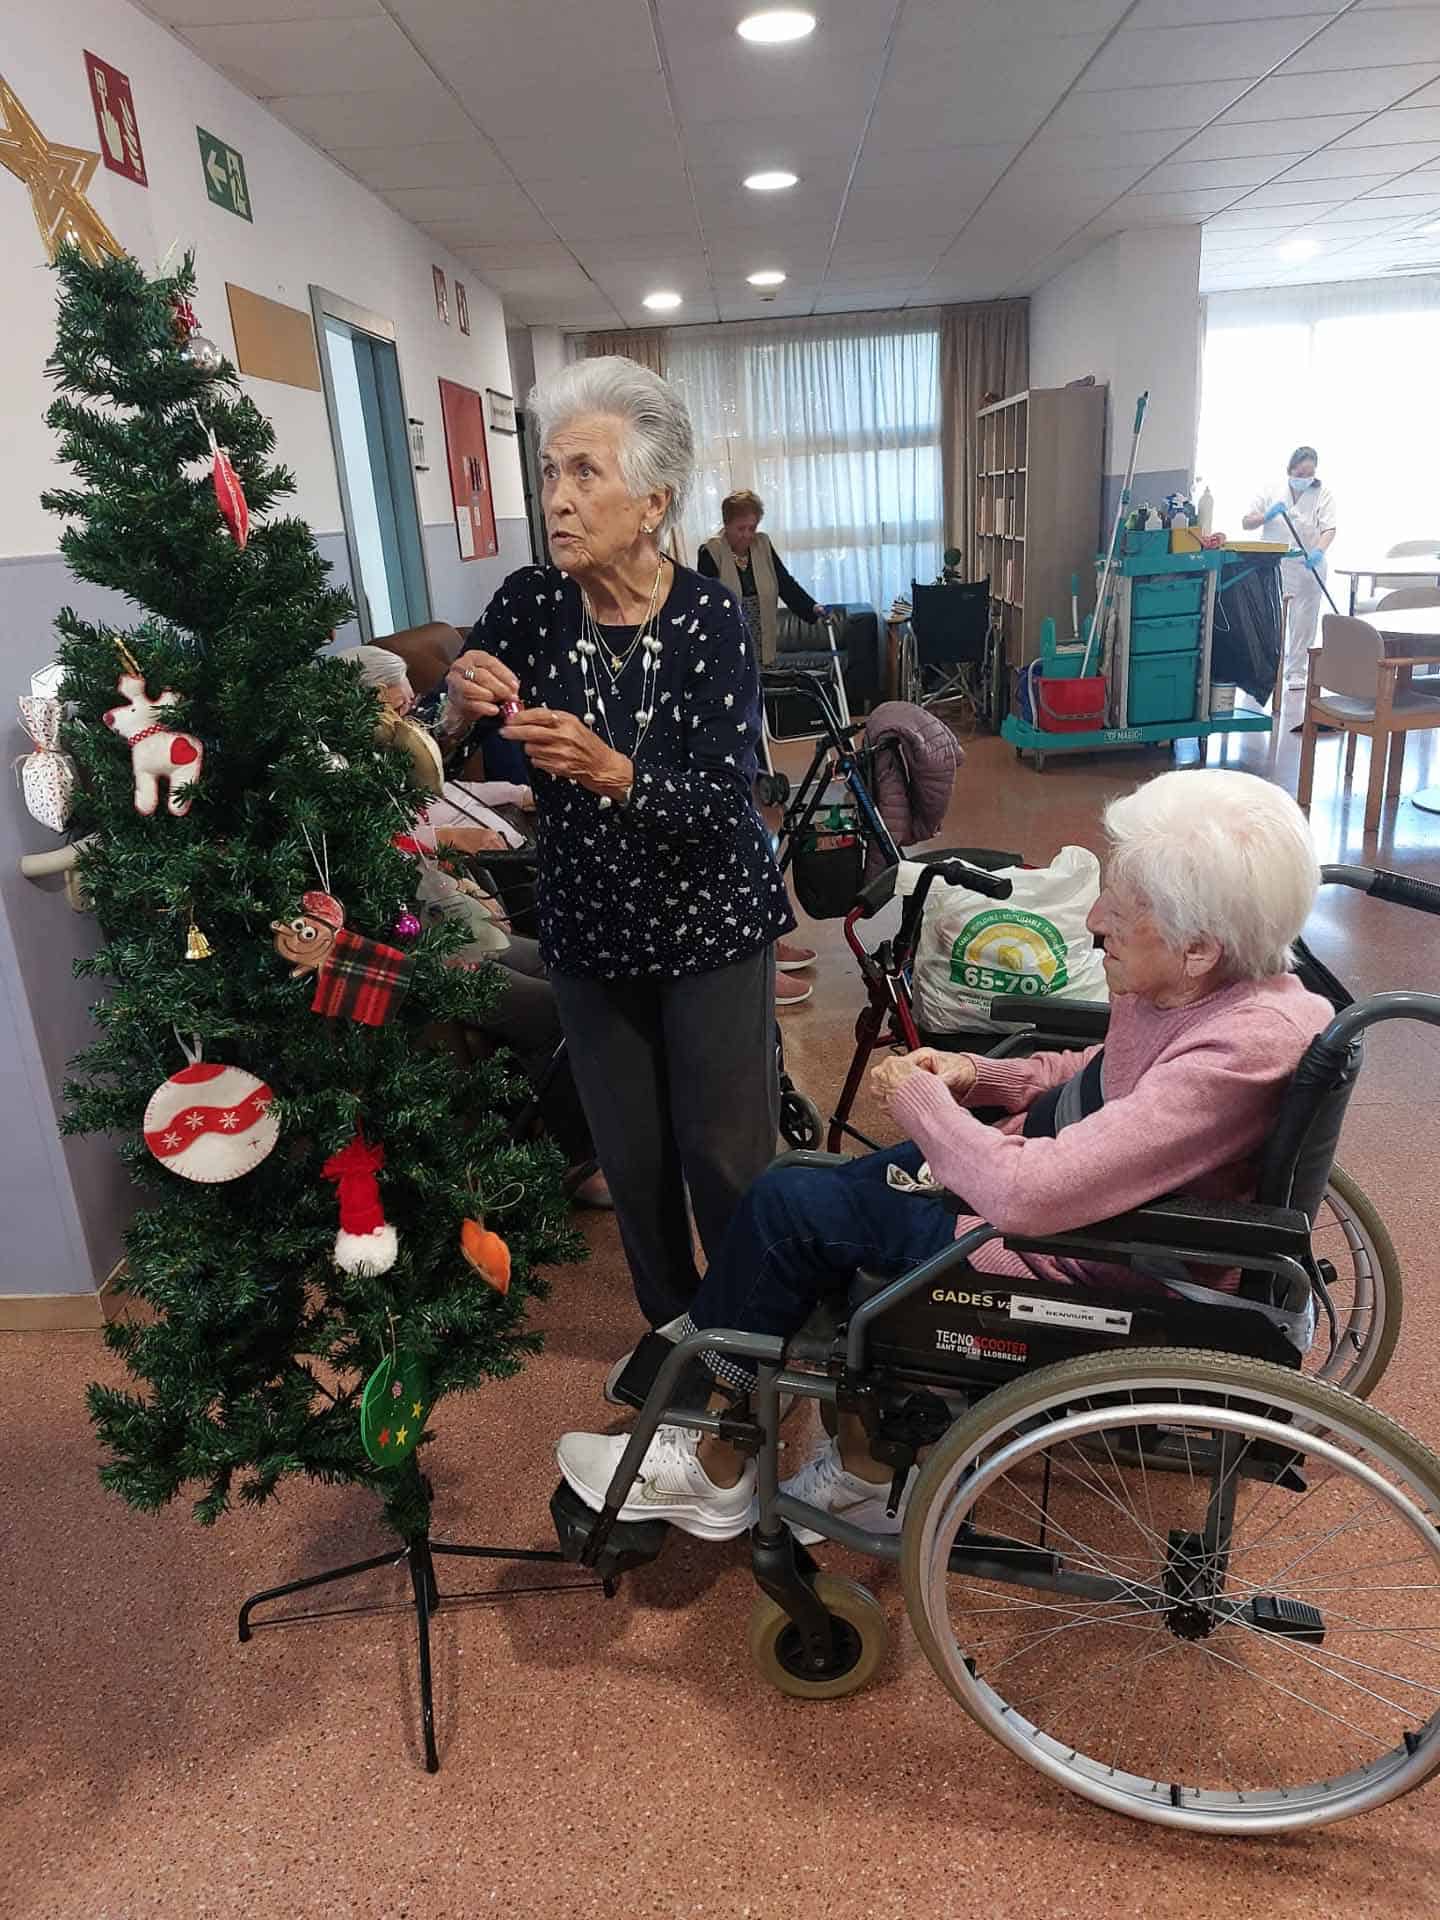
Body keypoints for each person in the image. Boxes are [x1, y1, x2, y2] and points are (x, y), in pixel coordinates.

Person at [555, 768, 1333, 1542]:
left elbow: (1031, 1198)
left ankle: (716, 1468)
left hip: (1063, 1256)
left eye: (1121, 912)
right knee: (804, 1189)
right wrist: (976, 1075)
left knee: (788, 1213)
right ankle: (853, 1460)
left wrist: (920, 1101)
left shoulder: (1233, 1054)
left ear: (1199, 946)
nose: (1095, 919)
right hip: (1042, 1191)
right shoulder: (1204, 989)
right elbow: (1101, 1075)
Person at [438, 356, 793, 1335]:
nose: (558, 499)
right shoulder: (532, 601)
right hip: (590, 930)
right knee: (633, 1162)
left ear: (653, 502)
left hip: (709, 927)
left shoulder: (709, 619)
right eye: (550, 473)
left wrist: (616, 771)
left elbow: (731, 801)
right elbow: (447, 734)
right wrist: (455, 708)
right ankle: (679, 1336)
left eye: (584, 474)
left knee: (724, 1156)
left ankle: (752, 1339)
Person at [698, 491, 827, 1005]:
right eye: (741, 528)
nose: (747, 536)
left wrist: (812, 607)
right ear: (727, 526)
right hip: (728, 652)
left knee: (759, 842)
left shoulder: (766, 548)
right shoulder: (709, 556)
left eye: (753, 527)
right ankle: (758, 959)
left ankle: (767, 945)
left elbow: (787, 587)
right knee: (746, 837)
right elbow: (705, 605)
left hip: (760, 645)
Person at [1242, 446, 1337, 699]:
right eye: (1300, 472)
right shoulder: (1271, 490)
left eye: (1310, 474)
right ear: (1290, 470)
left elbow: (1329, 529)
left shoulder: (1322, 494)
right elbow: (1246, 522)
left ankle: (1297, 671)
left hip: (1309, 565)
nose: (1305, 478)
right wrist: (1266, 515)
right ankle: (1266, 671)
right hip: (1276, 565)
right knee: (1272, 619)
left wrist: (1318, 551)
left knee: (1304, 619)